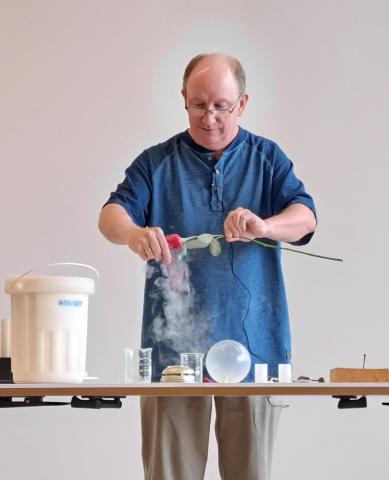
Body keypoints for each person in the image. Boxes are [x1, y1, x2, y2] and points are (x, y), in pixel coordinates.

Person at [99, 53, 316, 480]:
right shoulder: (155, 162)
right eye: (199, 105)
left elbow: (306, 218)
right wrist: (133, 235)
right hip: (173, 356)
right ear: (183, 99)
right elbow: (112, 214)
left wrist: (264, 225)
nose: (210, 117)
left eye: (221, 106)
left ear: (243, 103)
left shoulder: (267, 158)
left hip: (255, 353)